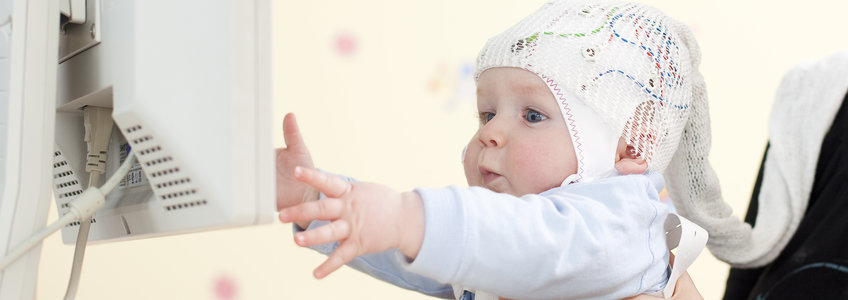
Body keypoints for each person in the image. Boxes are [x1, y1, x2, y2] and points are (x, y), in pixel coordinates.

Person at [277, 0, 709, 299]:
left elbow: (531, 242)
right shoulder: (494, 233)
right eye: (486, 115)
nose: (490, 134)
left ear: (630, 146)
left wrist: (405, 217)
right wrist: (317, 201)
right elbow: (416, 250)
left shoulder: (619, 223)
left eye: (532, 116)